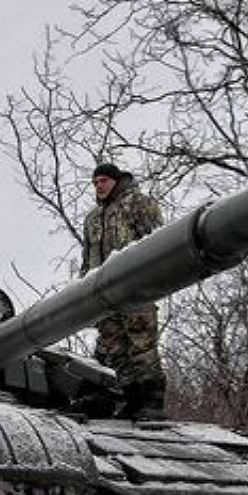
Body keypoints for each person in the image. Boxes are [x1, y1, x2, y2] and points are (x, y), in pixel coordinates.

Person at [81, 162, 168, 418]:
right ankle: (131, 399)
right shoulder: (93, 219)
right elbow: (87, 257)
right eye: (95, 183)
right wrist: (86, 287)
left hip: (136, 286)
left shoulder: (138, 204)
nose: (99, 186)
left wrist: (154, 279)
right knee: (114, 347)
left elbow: (158, 240)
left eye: (104, 181)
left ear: (116, 181)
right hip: (104, 291)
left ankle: (152, 401)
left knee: (141, 343)